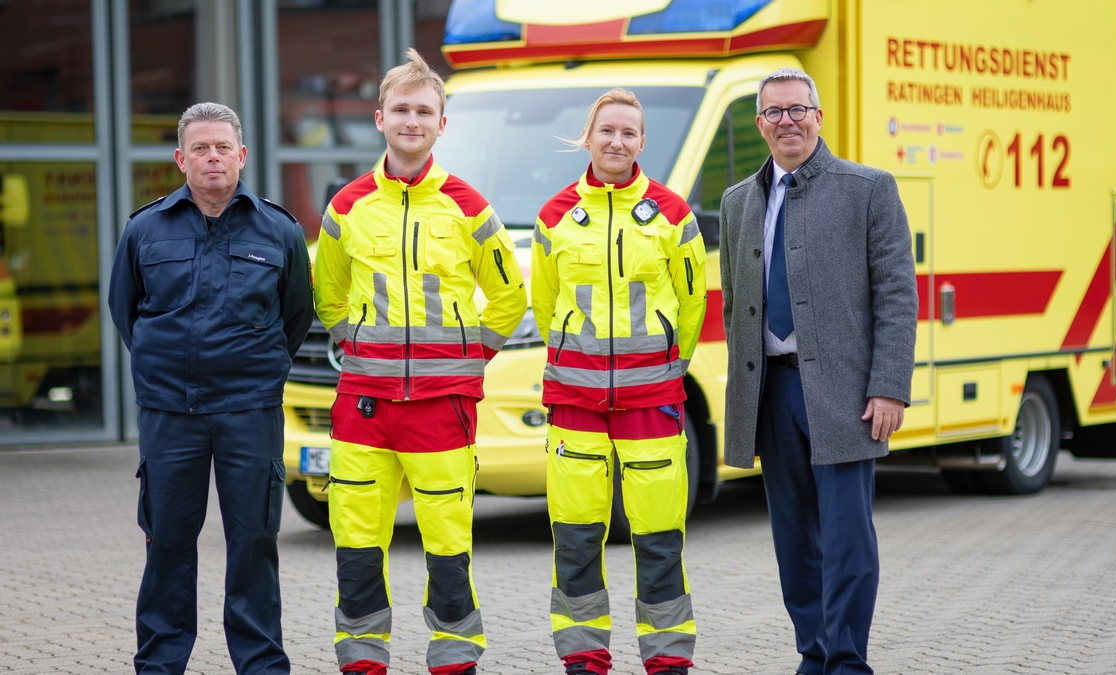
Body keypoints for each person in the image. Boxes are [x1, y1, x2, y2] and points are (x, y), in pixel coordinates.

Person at [312, 48, 527, 675]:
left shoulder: (469, 206)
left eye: (424, 110)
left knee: (448, 548)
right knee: (355, 546)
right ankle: (361, 664)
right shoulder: (346, 206)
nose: (412, 119)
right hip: (363, 409)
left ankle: (455, 663)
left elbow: (511, 296)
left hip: (442, 410)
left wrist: (468, 356)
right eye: (401, 109)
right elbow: (327, 295)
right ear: (379, 118)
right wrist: (362, 351)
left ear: (441, 123)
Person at [718, 69, 918, 675]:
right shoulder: (737, 202)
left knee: (847, 538)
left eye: (798, 109)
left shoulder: (869, 189)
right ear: (760, 124)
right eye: (775, 112)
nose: (788, 121)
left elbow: (897, 294)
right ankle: (814, 651)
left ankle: (848, 660)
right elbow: (734, 301)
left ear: (818, 116)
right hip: (772, 391)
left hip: (845, 395)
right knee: (793, 541)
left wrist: (888, 387)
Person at [108, 101, 313, 675]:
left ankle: (261, 664)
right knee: (168, 541)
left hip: (250, 410)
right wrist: (166, 370)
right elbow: (126, 312)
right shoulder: (144, 228)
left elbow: (295, 316)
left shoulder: (280, 229)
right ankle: (160, 663)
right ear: (181, 159)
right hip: (171, 412)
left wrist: (257, 368)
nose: (213, 157)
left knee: (253, 541)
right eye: (200, 148)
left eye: (223, 146)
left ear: (242, 155)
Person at [530, 88, 708, 675]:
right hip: (574, 398)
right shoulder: (554, 216)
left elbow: (691, 303)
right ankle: (583, 658)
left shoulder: (673, 214)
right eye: (607, 130)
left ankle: (667, 662)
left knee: (659, 538)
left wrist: (664, 366)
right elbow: (545, 300)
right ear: (589, 136)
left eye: (629, 132)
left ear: (642, 142)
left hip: (651, 397)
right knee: (576, 539)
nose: (617, 141)